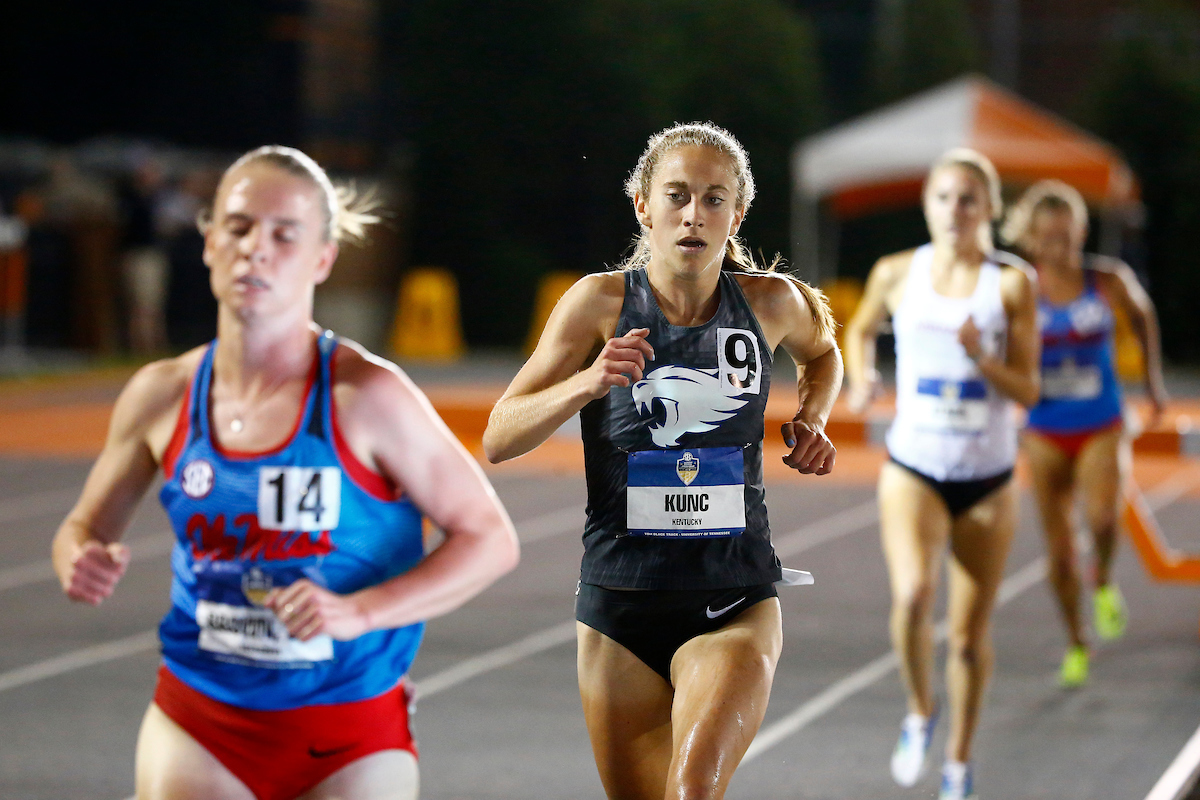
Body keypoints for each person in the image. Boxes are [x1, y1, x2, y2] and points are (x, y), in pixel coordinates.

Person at [51, 145, 520, 800]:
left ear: (322, 259)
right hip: (201, 716)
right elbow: (82, 528)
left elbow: (491, 539)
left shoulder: (367, 397)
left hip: (349, 727)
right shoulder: (162, 394)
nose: (255, 249)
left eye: (284, 234)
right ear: (209, 241)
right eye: (238, 227)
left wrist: (359, 612)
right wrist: (77, 556)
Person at [483, 122, 842, 800]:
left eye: (714, 199)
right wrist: (586, 383)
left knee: (692, 790)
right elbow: (500, 436)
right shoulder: (599, 304)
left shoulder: (770, 302)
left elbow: (822, 352)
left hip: (732, 597)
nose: (693, 215)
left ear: (737, 215)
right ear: (644, 207)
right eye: (677, 195)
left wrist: (813, 416)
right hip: (620, 606)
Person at [843, 149, 1040, 800]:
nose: (955, 210)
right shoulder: (897, 272)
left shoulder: (1011, 284)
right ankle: (920, 712)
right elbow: (860, 330)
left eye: (968, 199)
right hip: (915, 467)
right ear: (927, 205)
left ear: (990, 208)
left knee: (966, 639)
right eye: (944, 197)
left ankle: (958, 763)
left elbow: (1029, 389)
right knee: (912, 598)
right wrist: (863, 377)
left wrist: (983, 358)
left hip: (988, 477)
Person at [1000, 179, 1167, 687]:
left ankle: (1105, 578)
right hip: (1044, 428)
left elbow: (1143, 314)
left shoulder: (1108, 279)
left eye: (1067, 236)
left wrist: (1153, 383)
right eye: (1048, 237)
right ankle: (1076, 642)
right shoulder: (1018, 290)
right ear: (1031, 238)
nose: (1059, 247)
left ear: (1081, 232)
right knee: (1059, 554)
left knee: (1102, 519)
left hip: (1101, 422)